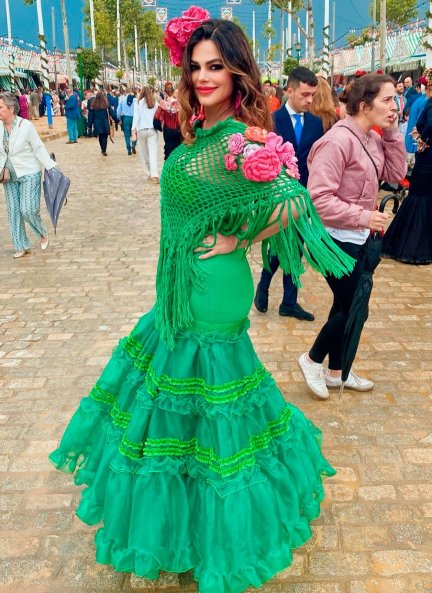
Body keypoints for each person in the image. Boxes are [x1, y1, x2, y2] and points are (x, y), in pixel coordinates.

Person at [48, 13, 355, 593]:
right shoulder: (201, 133)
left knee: (208, 403)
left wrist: (241, 238)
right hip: (182, 285)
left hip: (214, 291)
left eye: (216, 66)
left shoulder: (240, 139)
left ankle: (218, 528)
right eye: (196, 66)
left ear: (239, 73)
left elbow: (295, 200)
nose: (204, 75)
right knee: (184, 406)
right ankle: (184, 519)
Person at [297, 73, 407, 400]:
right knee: (356, 304)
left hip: (356, 236)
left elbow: (395, 174)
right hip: (331, 238)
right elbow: (317, 199)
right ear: (363, 105)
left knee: (345, 302)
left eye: (394, 100)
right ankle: (312, 359)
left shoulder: (371, 138)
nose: (394, 107)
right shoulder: (338, 141)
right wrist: (364, 215)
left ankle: (336, 371)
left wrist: (392, 134)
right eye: (387, 100)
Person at [254, 67, 324, 321]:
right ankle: (263, 286)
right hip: (277, 197)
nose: (309, 100)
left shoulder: (317, 124)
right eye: (305, 94)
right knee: (277, 246)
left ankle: (289, 302)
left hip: (304, 199)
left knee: (297, 248)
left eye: (313, 95)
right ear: (290, 90)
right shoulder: (271, 120)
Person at [382, 68, 432, 264]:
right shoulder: (426, 103)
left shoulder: (427, 103)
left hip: (427, 159)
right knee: (421, 199)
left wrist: (422, 138)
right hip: (426, 158)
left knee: (419, 199)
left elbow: (422, 127)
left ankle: (416, 245)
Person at [0, 92, 56, 258]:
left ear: (11, 108)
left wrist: (51, 167)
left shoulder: (26, 126)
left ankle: (41, 232)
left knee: (28, 209)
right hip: (8, 175)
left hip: (29, 172)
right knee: (14, 211)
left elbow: (38, 148)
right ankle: (21, 245)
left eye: (1, 107)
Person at [132, 86, 159, 180]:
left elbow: (136, 117)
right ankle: (154, 175)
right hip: (152, 130)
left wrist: (133, 130)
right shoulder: (154, 102)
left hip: (141, 130)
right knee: (153, 152)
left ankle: (149, 172)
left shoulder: (138, 102)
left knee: (144, 153)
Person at [154, 82, 182, 160]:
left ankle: (169, 165)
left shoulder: (163, 103)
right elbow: (183, 116)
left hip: (167, 129)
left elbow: (157, 116)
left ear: (165, 92)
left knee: (168, 148)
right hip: (177, 128)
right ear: (173, 92)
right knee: (178, 148)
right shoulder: (178, 103)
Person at [88, 91, 115, 156]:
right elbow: (112, 113)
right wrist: (117, 120)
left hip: (97, 123)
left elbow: (90, 116)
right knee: (105, 137)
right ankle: (104, 150)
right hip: (105, 122)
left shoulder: (93, 106)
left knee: (100, 136)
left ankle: (102, 149)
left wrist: (89, 125)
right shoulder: (106, 105)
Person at [117, 88, 137, 155]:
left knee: (127, 134)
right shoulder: (135, 100)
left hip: (126, 118)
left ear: (125, 93)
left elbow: (118, 111)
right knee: (134, 133)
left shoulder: (122, 100)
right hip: (134, 118)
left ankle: (128, 149)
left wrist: (119, 119)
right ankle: (134, 144)